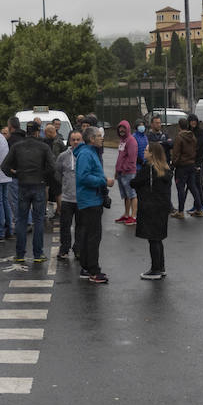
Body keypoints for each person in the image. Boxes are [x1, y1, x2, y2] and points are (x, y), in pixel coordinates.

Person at [1, 120, 55, 263]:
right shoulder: (43, 147)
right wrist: (43, 176)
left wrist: (16, 175)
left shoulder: (17, 146)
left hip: (23, 184)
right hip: (39, 185)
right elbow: (52, 167)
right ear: (38, 132)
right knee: (38, 220)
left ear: (27, 131)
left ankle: (20, 254)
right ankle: (38, 254)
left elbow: (4, 166)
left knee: (21, 220)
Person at [73, 126, 113, 284]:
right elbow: (83, 177)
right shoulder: (86, 153)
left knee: (88, 235)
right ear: (91, 139)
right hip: (90, 201)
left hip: (91, 199)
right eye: (98, 136)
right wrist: (104, 181)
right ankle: (94, 271)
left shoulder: (90, 152)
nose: (101, 138)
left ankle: (86, 267)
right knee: (93, 237)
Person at [133, 138, 174, 279]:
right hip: (162, 207)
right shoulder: (165, 169)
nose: (143, 152)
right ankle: (160, 267)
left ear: (152, 154)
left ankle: (155, 269)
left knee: (153, 239)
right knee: (158, 238)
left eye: (146, 150)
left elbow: (134, 182)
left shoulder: (148, 170)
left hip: (150, 207)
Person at [55, 129, 82, 261]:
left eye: (78, 139)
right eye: (73, 139)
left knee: (81, 226)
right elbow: (58, 173)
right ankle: (64, 249)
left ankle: (78, 249)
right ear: (69, 141)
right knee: (65, 225)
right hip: (67, 198)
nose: (76, 142)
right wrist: (64, 186)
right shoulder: (63, 156)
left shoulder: (85, 155)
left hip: (82, 198)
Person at [171, 117, 198, 220]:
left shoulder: (179, 137)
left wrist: (173, 165)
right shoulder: (193, 136)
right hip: (191, 164)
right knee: (193, 186)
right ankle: (199, 208)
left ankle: (180, 211)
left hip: (182, 167)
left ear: (179, 126)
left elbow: (176, 153)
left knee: (180, 188)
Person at [113, 121, 138, 225]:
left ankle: (133, 216)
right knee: (125, 195)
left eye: (123, 128)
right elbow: (120, 157)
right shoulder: (122, 141)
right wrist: (117, 170)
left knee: (132, 194)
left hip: (128, 173)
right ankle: (126, 214)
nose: (121, 130)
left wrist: (124, 169)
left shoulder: (131, 141)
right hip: (120, 172)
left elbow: (132, 159)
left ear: (127, 128)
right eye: (120, 128)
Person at [188, 115, 203, 215]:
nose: (193, 123)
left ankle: (202, 204)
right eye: (191, 121)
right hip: (190, 161)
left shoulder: (201, 132)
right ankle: (196, 205)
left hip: (198, 161)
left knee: (198, 183)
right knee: (193, 184)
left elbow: (198, 146)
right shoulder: (189, 132)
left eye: (194, 121)